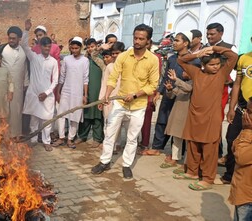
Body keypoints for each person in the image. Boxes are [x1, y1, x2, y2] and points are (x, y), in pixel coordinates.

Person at [91, 24, 159, 179]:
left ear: (148, 41)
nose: (137, 41)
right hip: (120, 103)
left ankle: (127, 164)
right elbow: (113, 77)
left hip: (138, 106)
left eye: (141, 39)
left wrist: (135, 95)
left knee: (132, 137)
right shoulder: (123, 56)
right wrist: (107, 94)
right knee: (110, 133)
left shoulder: (153, 60)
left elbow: (153, 85)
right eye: (135, 37)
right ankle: (104, 161)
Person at [173, 46, 238, 190]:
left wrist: (215, 48)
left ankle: (208, 178)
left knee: (209, 149)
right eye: (211, 64)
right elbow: (181, 60)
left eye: (217, 64)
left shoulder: (221, 74)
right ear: (203, 65)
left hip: (211, 118)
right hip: (194, 115)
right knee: (193, 145)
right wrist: (198, 53)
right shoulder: (196, 73)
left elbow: (233, 57)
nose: (215, 67)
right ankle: (192, 172)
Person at [159, 31, 198, 168]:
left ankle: (187, 162)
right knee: (175, 130)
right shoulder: (172, 59)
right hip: (178, 98)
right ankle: (175, 157)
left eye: (177, 40)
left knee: (187, 134)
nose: (174, 43)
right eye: (174, 40)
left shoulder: (195, 60)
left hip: (190, 102)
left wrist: (178, 80)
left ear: (186, 43)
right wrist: (167, 89)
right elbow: (167, 78)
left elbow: (191, 87)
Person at [22, 19, 59, 151]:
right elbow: (24, 45)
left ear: (51, 47)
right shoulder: (34, 58)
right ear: (40, 46)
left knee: (47, 119)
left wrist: (47, 93)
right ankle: (32, 139)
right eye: (44, 46)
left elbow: (55, 80)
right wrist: (26, 30)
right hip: (34, 93)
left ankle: (46, 141)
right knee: (34, 119)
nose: (47, 49)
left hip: (46, 95)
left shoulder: (53, 62)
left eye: (49, 47)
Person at [205, 23, 238, 163]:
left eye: (212, 34)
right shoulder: (205, 48)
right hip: (205, 87)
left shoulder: (229, 48)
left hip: (222, 89)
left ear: (221, 33)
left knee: (216, 120)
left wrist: (230, 84)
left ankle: (216, 152)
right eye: (208, 34)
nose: (209, 36)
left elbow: (236, 70)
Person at [221, 36, 252, 184]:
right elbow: (237, 84)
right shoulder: (243, 59)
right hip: (241, 109)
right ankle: (229, 174)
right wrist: (231, 108)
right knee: (231, 139)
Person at [52, 37, 89, 149]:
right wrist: (58, 92)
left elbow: (85, 78)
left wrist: (85, 95)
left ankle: (70, 138)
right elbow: (62, 77)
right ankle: (61, 137)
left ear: (81, 48)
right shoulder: (67, 59)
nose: (74, 50)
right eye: (72, 48)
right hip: (66, 91)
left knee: (75, 115)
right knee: (61, 114)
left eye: (76, 48)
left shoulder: (85, 60)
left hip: (78, 92)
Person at [76, 38, 106, 147]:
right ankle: (82, 136)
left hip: (98, 91)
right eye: (88, 47)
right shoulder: (84, 60)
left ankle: (97, 138)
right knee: (86, 114)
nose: (90, 49)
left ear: (96, 47)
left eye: (92, 47)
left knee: (97, 115)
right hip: (86, 91)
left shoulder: (100, 59)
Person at [0, 26, 28, 138]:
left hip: (18, 86)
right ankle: (4, 134)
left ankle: (16, 134)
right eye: (9, 38)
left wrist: (26, 83)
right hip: (4, 85)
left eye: (13, 38)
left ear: (19, 39)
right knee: (4, 110)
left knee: (16, 111)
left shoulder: (23, 52)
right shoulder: (3, 49)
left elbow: (25, 68)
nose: (11, 40)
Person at [228, 98, 252, 221]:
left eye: (249, 111)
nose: (245, 114)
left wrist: (247, 130)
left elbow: (241, 157)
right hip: (243, 193)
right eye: (245, 110)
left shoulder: (248, 131)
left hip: (248, 199)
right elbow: (234, 148)